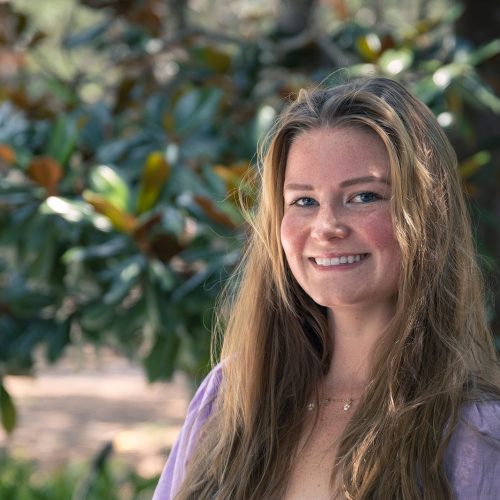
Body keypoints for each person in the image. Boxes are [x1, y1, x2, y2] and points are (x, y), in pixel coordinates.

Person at [153, 76, 500, 499]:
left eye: (364, 197)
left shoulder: (476, 431)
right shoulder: (230, 396)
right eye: (304, 201)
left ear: (426, 214)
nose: (327, 227)